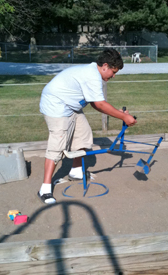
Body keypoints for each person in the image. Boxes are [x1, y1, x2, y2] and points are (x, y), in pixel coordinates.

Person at [38, 49, 137, 204]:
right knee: (57, 145)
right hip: (55, 105)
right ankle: (45, 188)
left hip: (71, 106)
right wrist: (124, 116)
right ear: (105, 66)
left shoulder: (93, 73)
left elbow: (95, 103)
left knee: (83, 135)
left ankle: (76, 171)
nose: (113, 76)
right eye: (113, 71)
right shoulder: (92, 76)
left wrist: (118, 113)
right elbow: (100, 104)